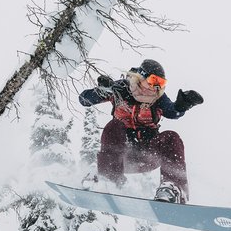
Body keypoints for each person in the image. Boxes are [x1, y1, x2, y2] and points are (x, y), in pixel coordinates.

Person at [79, 59, 203, 203]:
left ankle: (172, 189)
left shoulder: (158, 98)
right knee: (114, 126)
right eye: (153, 80)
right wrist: (102, 91)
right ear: (141, 77)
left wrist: (183, 105)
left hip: (147, 155)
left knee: (171, 136)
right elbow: (83, 99)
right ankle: (108, 180)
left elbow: (172, 112)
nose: (155, 86)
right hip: (120, 158)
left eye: (161, 83)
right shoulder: (120, 89)